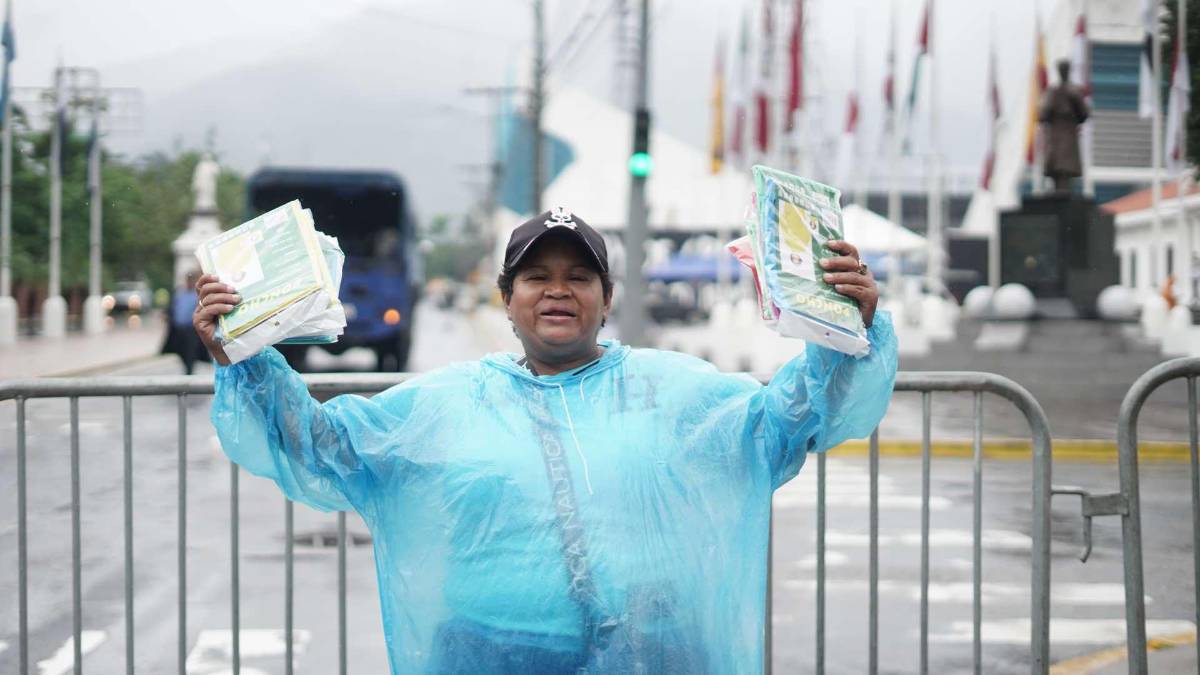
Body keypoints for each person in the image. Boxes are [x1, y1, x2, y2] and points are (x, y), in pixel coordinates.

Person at [194, 208, 898, 674]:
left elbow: (784, 423)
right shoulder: (444, 402)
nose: (557, 291)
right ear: (507, 296)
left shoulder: (675, 390)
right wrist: (246, 355)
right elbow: (322, 447)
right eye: (537, 276)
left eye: (578, 276)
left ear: (605, 296)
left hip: (657, 653)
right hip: (485, 651)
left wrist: (844, 329)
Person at [162, 270, 209, 374]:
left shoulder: (198, 294)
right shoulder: (179, 292)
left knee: (191, 353)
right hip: (178, 329)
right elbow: (172, 307)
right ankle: (187, 368)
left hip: (192, 330)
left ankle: (189, 371)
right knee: (180, 351)